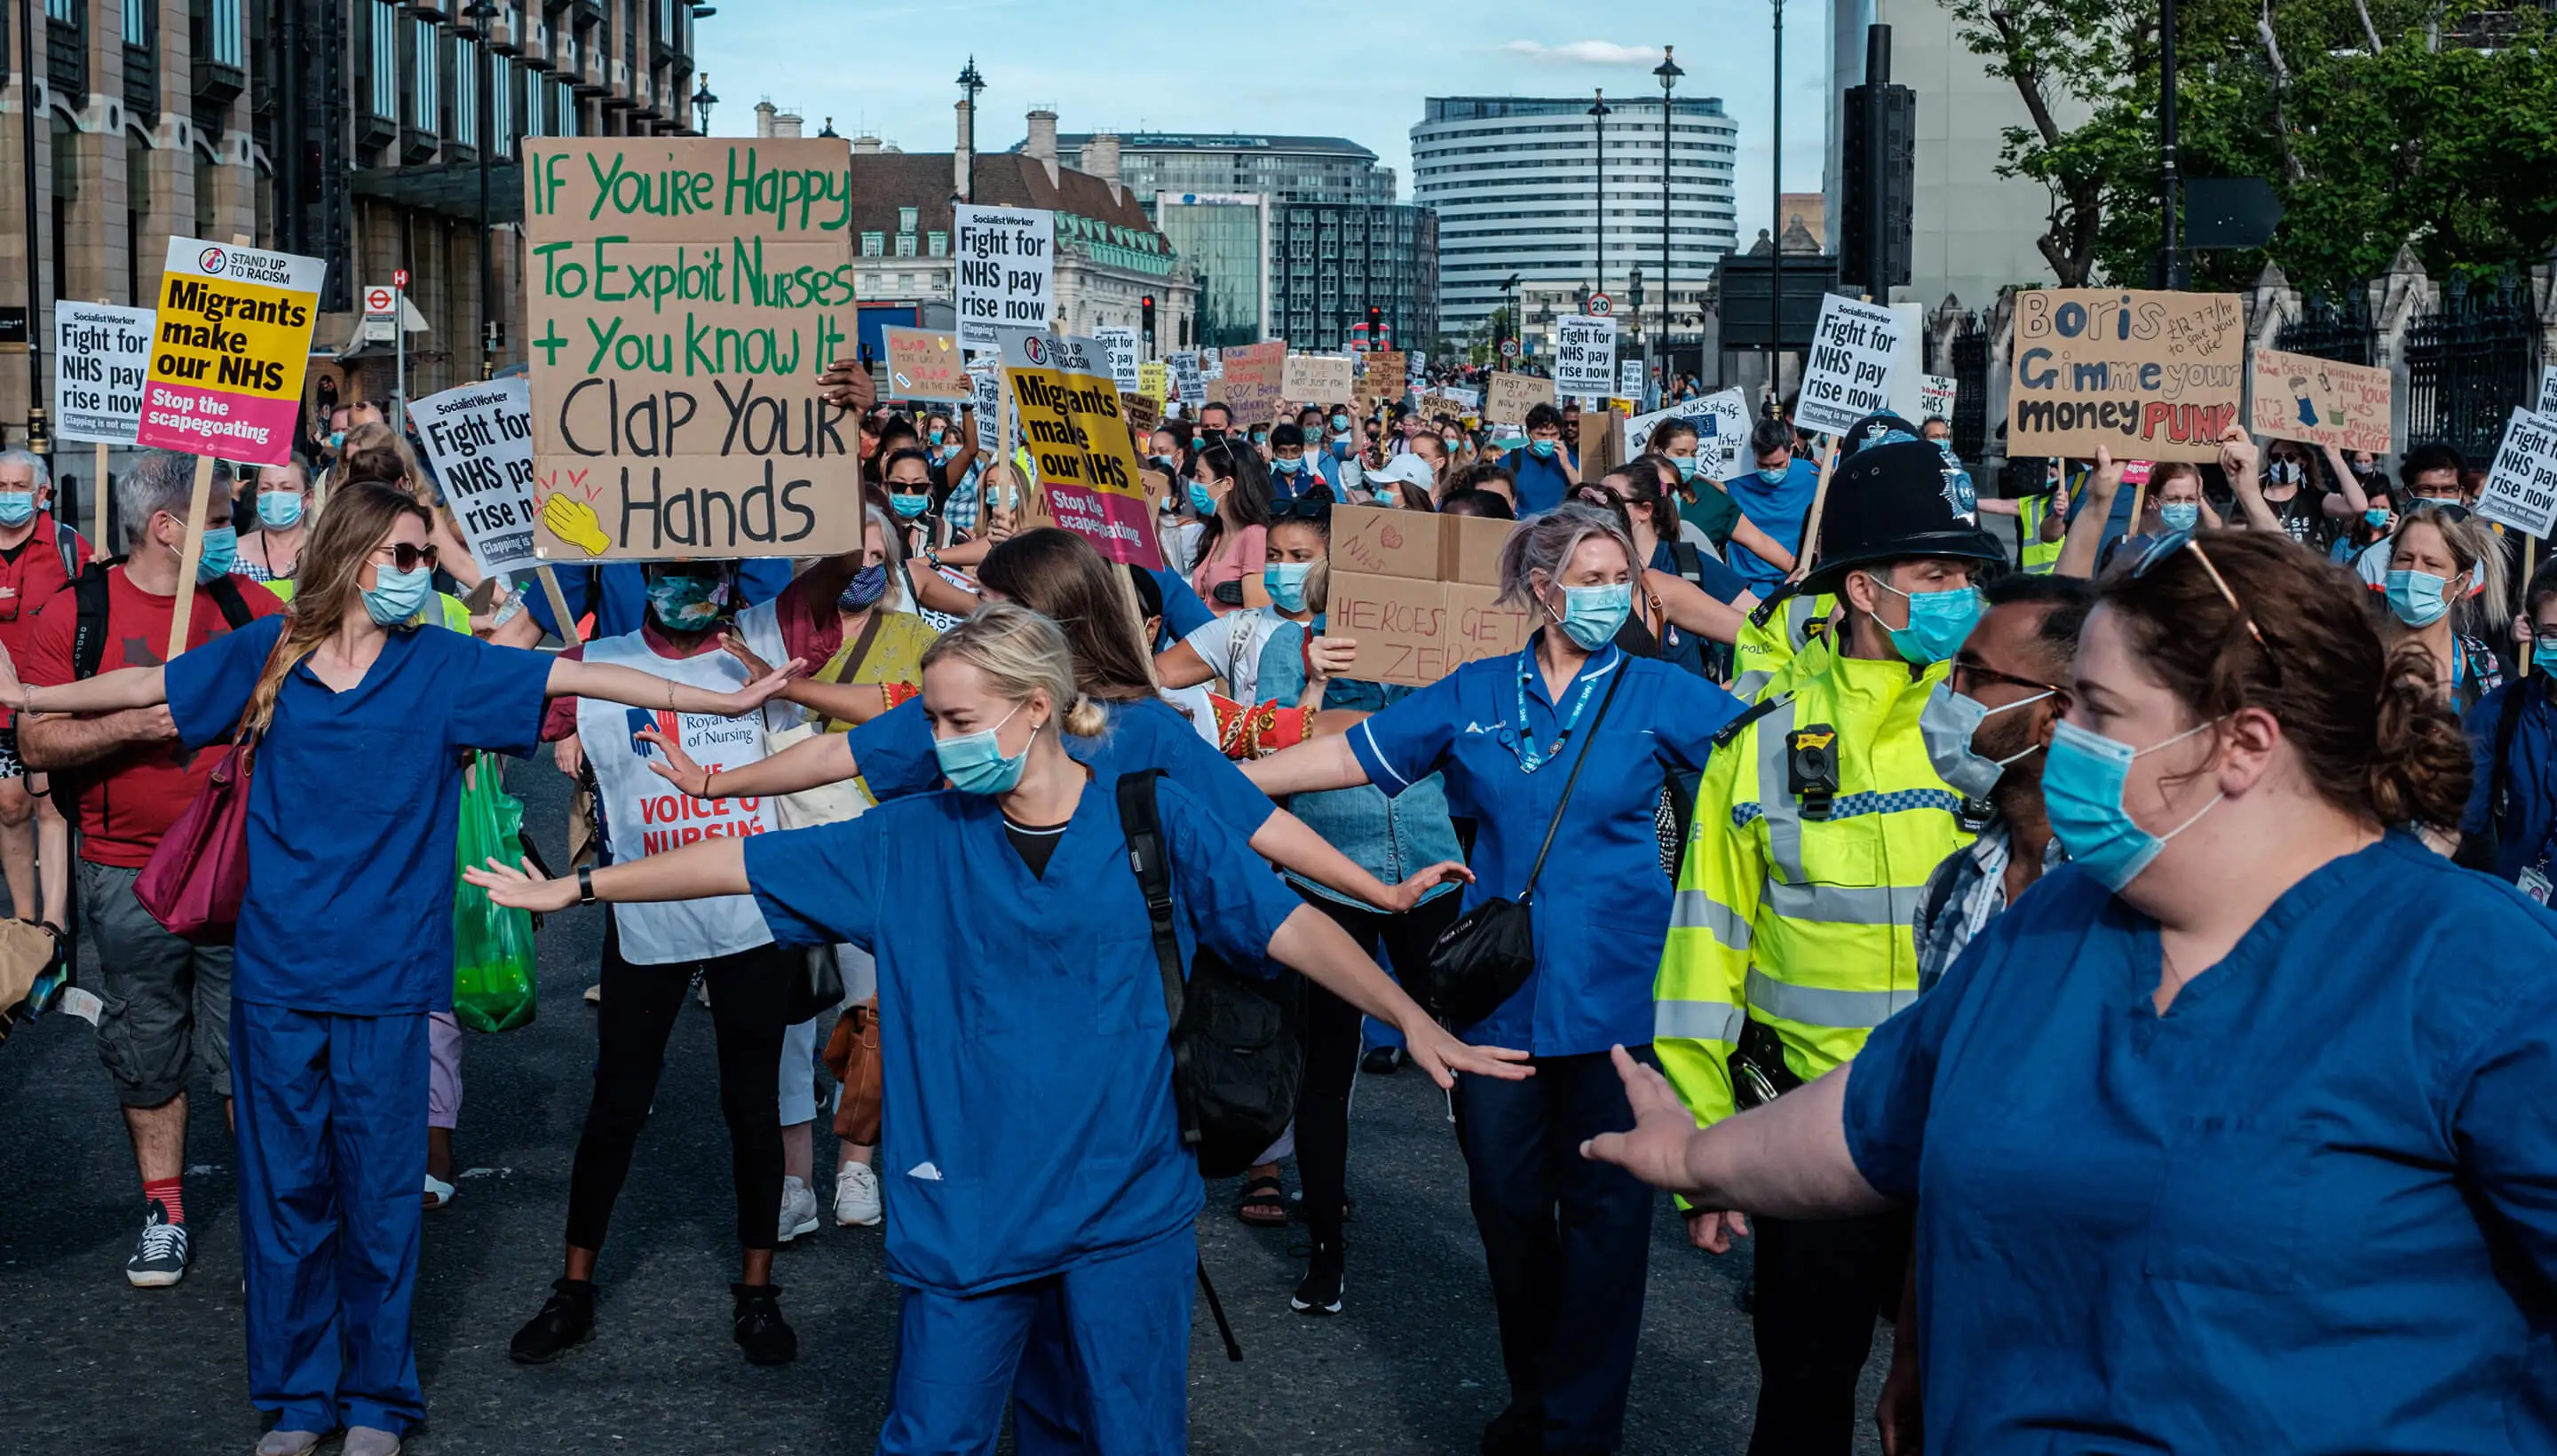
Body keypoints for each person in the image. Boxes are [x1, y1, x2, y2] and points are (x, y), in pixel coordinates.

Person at [464, 604, 1530, 1453]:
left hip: (1124, 1204)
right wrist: (586, 887)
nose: (933, 743)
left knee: (1128, 1433)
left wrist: (1409, 1015)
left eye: (958, 722)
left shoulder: (1153, 817)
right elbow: (742, 860)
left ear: (1038, 709)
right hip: (965, 1206)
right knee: (937, 1433)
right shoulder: (911, 838)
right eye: (930, 718)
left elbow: (1289, 923)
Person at [1585, 529, 2557, 1456]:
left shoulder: (2477, 970)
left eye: (2096, 708)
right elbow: (1874, 1118)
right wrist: (1693, 1153)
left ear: (2244, 742)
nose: (2063, 731)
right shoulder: (2046, 932)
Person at [0, 479, 802, 1456]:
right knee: (283, 1195)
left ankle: (379, 1397)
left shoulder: (443, 664)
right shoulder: (273, 654)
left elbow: (573, 679)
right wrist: (28, 693)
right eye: (411, 557)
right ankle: (298, 1397)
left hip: (388, 979)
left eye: (427, 559)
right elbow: (152, 691)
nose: (423, 577)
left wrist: (710, 691)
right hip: (277, 977)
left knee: (380, 1196)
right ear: (352, 555)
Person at [1247, 503, 1749, 1456]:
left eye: (1622, 577)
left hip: (1618, 1002)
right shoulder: (1475, 689)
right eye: (1591, 577)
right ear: (1542, 588)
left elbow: (1766, 756)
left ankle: (1576, 1429)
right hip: (1496, 1004)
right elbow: (1353, 755)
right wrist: (1227, 778)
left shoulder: (1658, 691)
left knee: (1606, 1227)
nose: (1611, 595)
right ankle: (1536, 1399)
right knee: (1510, 1215)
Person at [1653, 439, 2006, 1456]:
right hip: (1820, 1140)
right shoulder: (1761, 743)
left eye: (1971, 576)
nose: (1963, 597)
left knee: (1965, 1406)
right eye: (1939, 576)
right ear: (1864, 589)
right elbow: (1701, 963)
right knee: (1804, 1402)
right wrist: (1704, 1156)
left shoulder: (1997, 731)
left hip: (1970, 1138)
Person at [506, 557, 836, 1369]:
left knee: (752, 1109)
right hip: (643, 920)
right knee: (615, 1107)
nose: (685, 587)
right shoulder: (597, 662)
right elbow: (501, 695)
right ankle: (574, 1288)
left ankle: (758, 1293)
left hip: (750, 919)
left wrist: (842, 439)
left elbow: (839, 575)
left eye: (703, 573)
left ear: (730, 575)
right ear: (642, 572)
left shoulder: (760, 638)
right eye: (667, 571)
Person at [18, 451, 281, 1288]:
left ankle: (268, 1224)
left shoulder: (249, 607)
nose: (233, 534)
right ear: (166, 527)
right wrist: (129, 726)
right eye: (219, 520)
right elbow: (35, 739)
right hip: (125, 873)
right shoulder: (77, 615)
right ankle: (164, 1210)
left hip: (239, 869)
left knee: (250, 1047)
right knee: (144, 1043)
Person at [1875, 571, 2092, 1449]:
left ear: (2054, 710)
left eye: (1972, 674)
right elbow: (1945, 1142)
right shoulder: (1956, 886)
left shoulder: (2123, 897)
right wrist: (1912, 1350)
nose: (1946, 696)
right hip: (1963, 1301)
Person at [0, 447, 89, 933]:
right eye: (1, 486)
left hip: (50, 697)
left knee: (51, 804)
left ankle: (54, 924)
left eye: (18, 487)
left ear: (42, 493)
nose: (8, 496)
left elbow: (95, 607)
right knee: (10, 806)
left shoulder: (68, 545)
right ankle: (23, 920)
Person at [2458, 557, 2557, 890]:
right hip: (2519, 906)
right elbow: (2466, 821)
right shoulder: (2502, 711)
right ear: (2530, 629)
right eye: (2553, 634)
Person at [2379, 504, 2507, 715]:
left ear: (2462, 582)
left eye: (2431, 564)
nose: (2414, 572)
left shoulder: (2489, 673)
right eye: (2404, 559)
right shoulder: (2356, 656)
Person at [1652, 420, 1796, 575]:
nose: (1688, 460)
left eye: (1693, 454)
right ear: (1658, 453)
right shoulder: (1636, 490)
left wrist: (1800, 571)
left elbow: (1759, 540)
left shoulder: (1710, 497)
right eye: (1680, 453)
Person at [1723, 418, 1822, 596]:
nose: (1771, 471)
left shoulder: (1813, 476)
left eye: (1778, 465)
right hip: (1748, 586)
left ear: (1791, 450)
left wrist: (1836, 481)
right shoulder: (1732, 480)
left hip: (1796, 580)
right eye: (1762, 465)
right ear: (1753, 455)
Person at [1187, 437, 1275, 612]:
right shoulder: (1216, 534)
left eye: (1200, 476)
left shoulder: (1255, 535)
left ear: (1227, 483)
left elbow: (1254, 612)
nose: (1193, 481)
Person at [238, 457, 316, 583]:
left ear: (308, 497)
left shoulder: (326, 554)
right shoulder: (234, 555)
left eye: (287, 488)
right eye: (265, 488)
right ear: (257, 498)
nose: (275, 496)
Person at [1499, 403, 1578, 516]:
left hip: (1559, 527)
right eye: (1542, 435)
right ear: (1528, 433)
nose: (1548, 439)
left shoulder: (1568, 459)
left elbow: (1582, 492)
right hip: (1525, 528)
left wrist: (1566, 465)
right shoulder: (1511, 461)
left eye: (1554, 434)